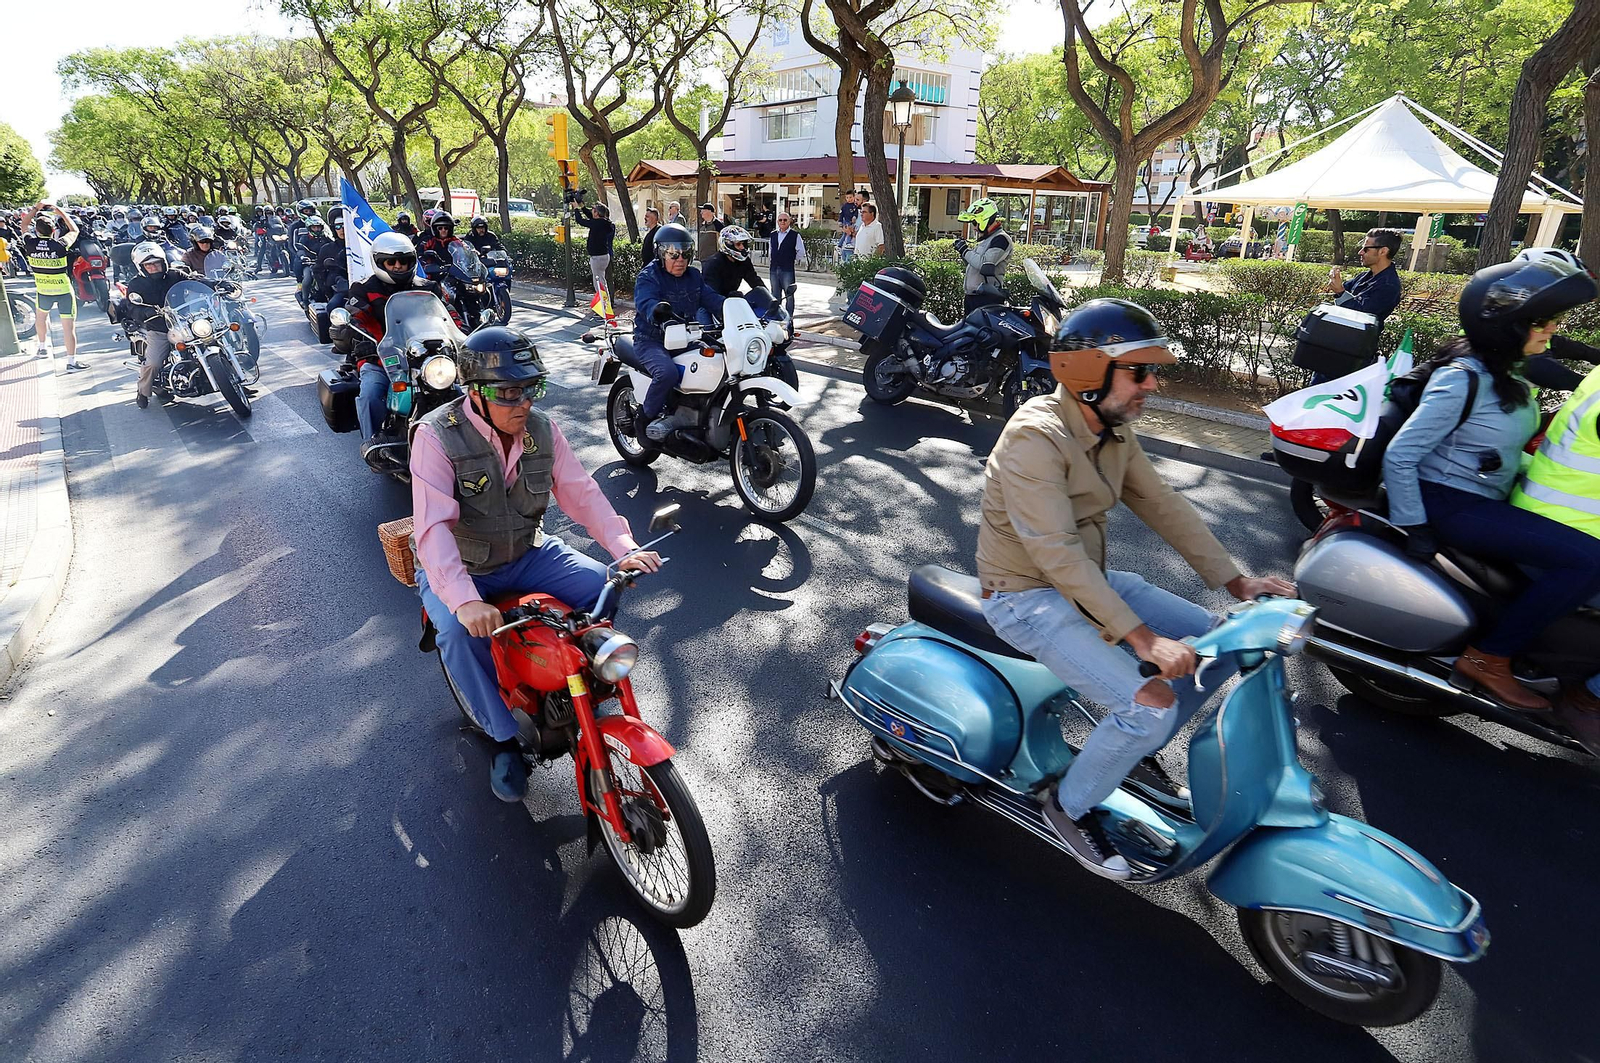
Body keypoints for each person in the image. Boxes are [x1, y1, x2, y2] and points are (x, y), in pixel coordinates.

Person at [977, 298, 1294, 878]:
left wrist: (1236, 580)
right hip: (1025, 597)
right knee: (1148, 707)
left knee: (1218, 642)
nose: (1153, 384)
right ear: (1088, 373)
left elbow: (1164, 505)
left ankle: (1124, 745)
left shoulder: (1113, 432)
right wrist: (1143, 642)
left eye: (1154, 371)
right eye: (1139, 371)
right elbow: (1055, 554)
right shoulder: (1035, 437)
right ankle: (1067, 807)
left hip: (1086, 582)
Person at [410, 327, 662, 801]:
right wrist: (464, 602)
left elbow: (581, 492)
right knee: (457, 636)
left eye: (530, 388)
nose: (522, 402)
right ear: (474, 393)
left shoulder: (542, 430)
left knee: (603, 586)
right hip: (464, 568)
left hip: (528, 552)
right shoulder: (436, 436)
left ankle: (584, 678)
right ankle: (503, 739)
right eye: (507, 392)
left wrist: (623, 547)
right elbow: (433, 530)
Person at [1383, 252, 1600, 711]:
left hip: (1479, 499)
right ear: (1509, 326)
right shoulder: (1463, 378)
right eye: (1541, 321)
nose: (1552, 329)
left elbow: (1497, 454)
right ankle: (1489, 658)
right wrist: (1415, 525)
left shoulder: (1507, 374)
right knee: (1588, 562)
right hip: (1448, 502)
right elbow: (1401, 454)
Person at [346, 230, 450, 442]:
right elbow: (357, 319)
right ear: (379, 262)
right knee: (370, 394)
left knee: (456, 389)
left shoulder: (428, 288)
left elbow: (449, 316)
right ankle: (373, 443)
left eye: (403, 261)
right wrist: (362, 340)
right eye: (390, 262)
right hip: (381, 357)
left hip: (426, 358)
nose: (397, 266)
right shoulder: (363, 289)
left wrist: (465, 334)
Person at [631, 223, 725, 443]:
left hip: (685, 338)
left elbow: (713, 300)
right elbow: (646, 301)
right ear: (661, 254)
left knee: (718, 364)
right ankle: (643, 421)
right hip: (651, 340)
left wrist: (738, 308)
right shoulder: (649, 276)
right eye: (674, 254)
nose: (680, 259)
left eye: (685, 253)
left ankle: (696, 414)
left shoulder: (693, 276)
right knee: (667, 373)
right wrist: (656, 311)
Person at [125, 241, 241, 409]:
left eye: (156, 263)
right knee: (154, 363)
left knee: (215, 339)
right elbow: (132, 307)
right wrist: (146, 313)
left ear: (163, 262)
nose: (153, 267)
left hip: (186, 321)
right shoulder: (136, 285)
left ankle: (236, 383)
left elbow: (195, 280)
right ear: (141, 267)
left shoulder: (174, 275)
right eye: (148, 265)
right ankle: (143, 391)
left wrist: (217, 284)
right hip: (160, 327)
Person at [19, 203, 87, 370]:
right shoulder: (60, 244)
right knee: (68, 327)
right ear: (53, 231)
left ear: (37, 231)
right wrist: (61, 212)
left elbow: (23, 225)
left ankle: (42, 348)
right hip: (63, 290)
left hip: (43, 289)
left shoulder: (30, 243)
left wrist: (36, 208)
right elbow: (74, 231)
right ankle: (71, 361)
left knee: (41, 318)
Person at [1328, 228, 1403, 324]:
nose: (1360, 252)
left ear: (1383, 251)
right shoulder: (1365, 276)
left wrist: (1340, 292)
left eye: (1366, 249)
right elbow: (1344, 289)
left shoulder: (1388, 285)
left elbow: (1360, 316)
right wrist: (1336, 284)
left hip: (1356, 337)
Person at [954, 197, 1013, 314]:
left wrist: (965, 250)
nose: (974, 228)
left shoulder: (1001, 239)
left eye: (975, 223)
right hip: (973, 297)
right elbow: (974, 264)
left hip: (986, 298)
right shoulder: (987, 239)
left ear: (985, 220)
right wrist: (964, 253)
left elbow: (984, 264)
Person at [702, 225, 766, 298]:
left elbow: (754, 280)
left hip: (730, 301)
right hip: (713, 303)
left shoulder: (744, 261)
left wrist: (768, 297)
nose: (742, 247)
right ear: (728, 244)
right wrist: (729, 297)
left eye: (743, 244)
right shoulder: (713, 264)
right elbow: (710, 292)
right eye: (738, 244)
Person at [768, 211, 806, 325]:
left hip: (787, 269)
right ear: (777, 222)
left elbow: (801, 251)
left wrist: (791, 259)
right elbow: (771, 250)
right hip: (774, 269)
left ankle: (788, 317)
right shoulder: (773, 234)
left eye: (785, 220)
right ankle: (777, 317)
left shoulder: (795, 235)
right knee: (775, 294)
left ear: (789, 221)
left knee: (789, 295)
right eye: (780, 220)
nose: (783, 222)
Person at [572, 202, 615, 297]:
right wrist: (582, 206)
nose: (591, 211)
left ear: (596, 213)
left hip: (597, 258)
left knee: (599, 284)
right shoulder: (605, 223)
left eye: (593, 210)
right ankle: (605, 305)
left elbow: (580, 221)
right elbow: (590, 217)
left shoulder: (597, 224)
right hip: (604, 256)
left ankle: (604, 308)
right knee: (602, 281)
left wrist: (576, 208)